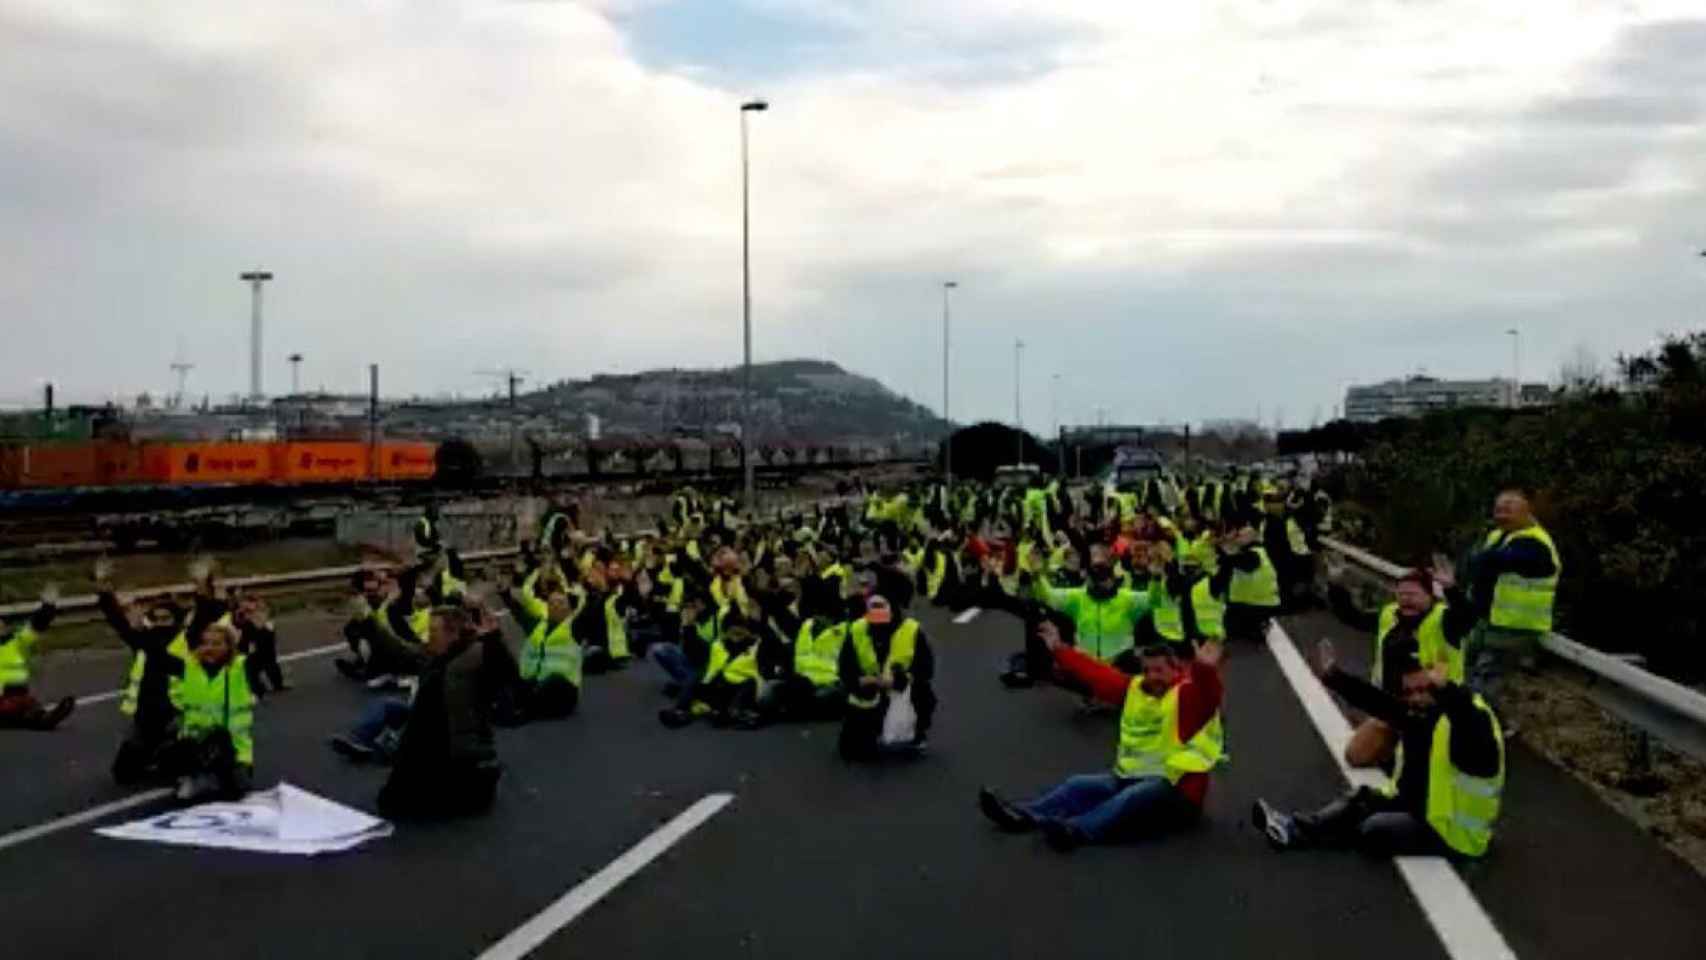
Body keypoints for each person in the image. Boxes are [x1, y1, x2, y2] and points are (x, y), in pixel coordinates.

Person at [979, 627, 1226, 851]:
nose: (1153, 676)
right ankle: (1024, 815)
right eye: (1148, 670)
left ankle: (1076, 830)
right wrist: (1059, 649)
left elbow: (1208, 695)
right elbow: (1097, 674)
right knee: (1078, 784)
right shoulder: (1134, 688)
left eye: (1160, 670)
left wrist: (1204, 669)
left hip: (1179, 792)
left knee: (1132, 796)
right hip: (1130, 777)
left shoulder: (1186, 697)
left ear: (1176, 669)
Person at [1253, 638, 1504, 858]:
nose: (1414, 698)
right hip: (1420, 806)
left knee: (1374, 830)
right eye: (1409, 692)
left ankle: (1318, 835)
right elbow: (1381, 704)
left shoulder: (1472, 721)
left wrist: (1446, 690)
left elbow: (1470, 726)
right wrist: (1334, 677)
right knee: (1360, 800)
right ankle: (1292, 829)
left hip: (1453, 834)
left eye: (1422, 690)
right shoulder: (1427, 712)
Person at [1328, 561, 1477, 768]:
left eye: (1413, 594)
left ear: (1430, 596)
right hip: (1392, 707)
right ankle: (1394, 743)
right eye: (1401, 594)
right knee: (1355, 756)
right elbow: (1353, 617)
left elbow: (1467, 618)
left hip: (1435, 713)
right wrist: (1336, 587)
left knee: (1428, 768)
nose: (1406, 599)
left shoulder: (1444, 620)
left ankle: (1426, 746)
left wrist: (1452, 589)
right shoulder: (1389, 615)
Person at [373, 604, 507, 819]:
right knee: (390, 800)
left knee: (408, 806)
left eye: (433, 631)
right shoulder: (433, 657)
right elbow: (402, 651)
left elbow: (506, 675)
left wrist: (493, 640)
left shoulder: (473, 658)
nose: (428, 636)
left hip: (460, 755)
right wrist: (371, 625)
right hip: (436, 745)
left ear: (452, 634)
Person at [1463, 487, 1560, 725]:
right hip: (1486, 622)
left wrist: (1480, 559)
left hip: (1512, 628)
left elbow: (1504, 561)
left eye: (1509, 509)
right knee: (1466, 677)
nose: (1501, 515)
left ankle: (1484, 730)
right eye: (1498, 510)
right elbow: (1474, 567)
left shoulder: (1534, 544)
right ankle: (1485, 724)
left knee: (1484, 683)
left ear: (1527, 511)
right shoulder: (1498, 536)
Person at [1004, 542, 1151, 688]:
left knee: (1134, 665)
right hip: (1086, 664)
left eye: (1104, 575)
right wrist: (1037, 574)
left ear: (1113, 576)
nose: (1100, 583)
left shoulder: (1128, 599)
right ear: (1087, 576)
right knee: (1036, 610)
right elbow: (1048, 596)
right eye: (1095, 574)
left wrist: (1158, 578)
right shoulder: (1078, 597)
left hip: (1118, 664)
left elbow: (1155, 600)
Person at [836, 575, 936, 761]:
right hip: (867, 694)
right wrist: (861, 680)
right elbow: (845, 667)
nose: (876, 612)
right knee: (852, 751)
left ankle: (916, 733)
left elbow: (926, 669)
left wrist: (901, 679)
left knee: (923, 693)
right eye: (872, 607)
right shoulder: (858, 629)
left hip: (899, 693)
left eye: (880, 607)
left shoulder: (911, 630)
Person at [167, 620, 255, 803]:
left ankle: (213, 777)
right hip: (196, 741)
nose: (209, 648)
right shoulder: (188, 668)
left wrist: (262, 631)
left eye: (216, 644)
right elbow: (154, 654)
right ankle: (192, 776)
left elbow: (265, 657)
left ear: (229, 646)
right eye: (205, 643)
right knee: (171, 750)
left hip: (232, 747)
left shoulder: (241, 667)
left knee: (236, 791)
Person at [496, 564, 582, 722]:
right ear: (547, 607)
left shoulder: (575, 628)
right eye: (552, 603)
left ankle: (523, 710)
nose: (556, 606)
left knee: (555, 682)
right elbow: (519, 613)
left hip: (564, 690)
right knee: (510, 674)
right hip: (537, 682)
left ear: (569, 609)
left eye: (561, 603)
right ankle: (517, 706)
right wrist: (505, 594)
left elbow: (585, 605)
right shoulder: (538, 626)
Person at [0, 587, 75, 731]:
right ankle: (39, 719)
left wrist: (49, 605)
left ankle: (44, 717)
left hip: (18, 697)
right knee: (17, 715)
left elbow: (37, 624)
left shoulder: (17, 641)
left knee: (25, 708)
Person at [233, 593, 287, 697]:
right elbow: (240, 631)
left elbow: (267, 627)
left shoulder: (262, 616)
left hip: (263, 644)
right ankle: (259, 688)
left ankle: (277, 685)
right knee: (251, 669)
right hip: (253, 649)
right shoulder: (244, 619)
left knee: (270, 663)